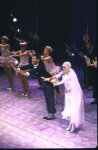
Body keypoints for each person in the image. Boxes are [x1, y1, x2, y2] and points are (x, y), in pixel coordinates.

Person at [11, 54, 56, 120]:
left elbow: (35, 70)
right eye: (32, 59)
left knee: (50, 99)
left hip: (49, 83)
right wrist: (18, 69)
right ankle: (49, 111)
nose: (32, 60)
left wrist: (27, 73)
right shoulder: (33, 65)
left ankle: (52, 113)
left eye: (34, 59)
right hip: (43, 83)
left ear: (38, 60)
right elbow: (26, 66)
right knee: (46, 98)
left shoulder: (41, 66)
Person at [43, 61, 85, 132]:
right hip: (68, 93)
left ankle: (73, 126)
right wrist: (48, 79)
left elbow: (64, 81)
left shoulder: (71, 74)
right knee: (68, 109)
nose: (63, 68)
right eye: (63, 67)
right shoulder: (63, 72)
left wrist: (56, 84)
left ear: (69, 67)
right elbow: (56, 76)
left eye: (65, 67)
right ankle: (70, 125)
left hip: (74, 94)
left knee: (73, 110)